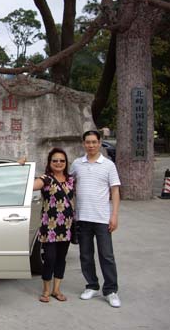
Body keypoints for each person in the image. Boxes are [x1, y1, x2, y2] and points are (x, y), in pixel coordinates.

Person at [70, 130, 122, 308]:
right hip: (82, 217)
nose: (91, 145)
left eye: (94, 142)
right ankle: (91, 285)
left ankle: (111, 290)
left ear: (100, 143)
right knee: (85, 255)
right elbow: (69, 184)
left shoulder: (108, 165)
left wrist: (114, 215)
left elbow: (115, 191)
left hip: (102, 218)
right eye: (88, 142)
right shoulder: (77, 164)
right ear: (83, 144)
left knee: (106, 255)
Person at [30, 148, 75, 303]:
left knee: (61, 258)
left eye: (62, 160)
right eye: (55, 160)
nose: (58, 163)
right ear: (50, 162)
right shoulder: (46, 179)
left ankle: (56, 290)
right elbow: (31, 185)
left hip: (66, 226)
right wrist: (21, 167)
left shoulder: (70, 179)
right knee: (49, 258)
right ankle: (46, 290)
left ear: (66, 163)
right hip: (49, 226)